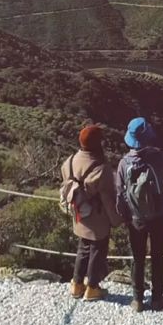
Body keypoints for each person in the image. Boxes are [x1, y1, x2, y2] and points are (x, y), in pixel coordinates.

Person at [114, 117, 163, 312]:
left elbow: (119, 193)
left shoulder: (123, 164)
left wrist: (124, 216)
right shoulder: (158, 158)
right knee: (157, 256)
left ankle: (137, 299)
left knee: (137, 257)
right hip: (159, 216)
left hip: (136, 219)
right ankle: (157, 298)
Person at [62, 125, 121, 302]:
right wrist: (116, 220)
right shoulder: (101, 168)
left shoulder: (69, 162)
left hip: (79, 215)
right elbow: (109, 199)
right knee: (97, 250)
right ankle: (92, 288)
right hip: (97, 218)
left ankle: (76, 284)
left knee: (83, 248)